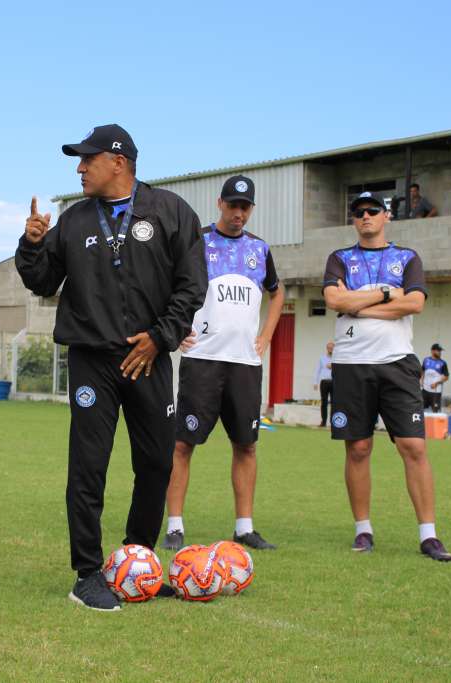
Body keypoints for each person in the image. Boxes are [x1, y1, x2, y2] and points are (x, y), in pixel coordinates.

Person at [15, 124, 206, 610]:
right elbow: (40, 281)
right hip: (92, 360)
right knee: (88, 465)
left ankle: (136, 563)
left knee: (157, 463)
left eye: (87, 159)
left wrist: (160, 338)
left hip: (150, 358)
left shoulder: (171, 211)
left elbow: (191, 285)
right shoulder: (75, 220)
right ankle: (86, 573)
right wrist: (32, 244)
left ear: (118, 162)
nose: (79, 168)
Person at [322, 191, 451, 562]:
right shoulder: (339, 259)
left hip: (397, 363)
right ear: (353, 219)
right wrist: (384, 297)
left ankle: (428, 535)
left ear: (386, 216)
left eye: (372, 211)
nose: (365, 217)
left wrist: (360, 307)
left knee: (414, 447)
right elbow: (335, 301)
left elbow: (414, 303)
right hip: (351, 364)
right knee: (359, 448)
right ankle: (363, 530)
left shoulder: (407, 258)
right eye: (359, 212)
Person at [162, 175, 284, 552]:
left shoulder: (260, 250)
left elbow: (277, 294)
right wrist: (176, 327)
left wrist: (266, 335)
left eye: (244, 207)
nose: (238, 213)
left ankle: (244, 527)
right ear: (220, 203)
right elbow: (167, 285)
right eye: (232, 205)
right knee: (183, 443)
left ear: (251, 209)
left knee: (246, 445)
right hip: (202, 359)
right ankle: (175, 525)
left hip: (244, 364)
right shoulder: (196, 241)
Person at [420, 343, 450, 412]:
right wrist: (421, 380)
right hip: (425, 390)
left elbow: (446, 377)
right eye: (438, 350)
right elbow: (422, 371)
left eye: (440, 351)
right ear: (432, 351)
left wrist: (437, 383)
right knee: (420, 409)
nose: (440, 352)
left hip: (436, 392)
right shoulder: (426, 360)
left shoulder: (443, 363)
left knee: (435, 411)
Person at [314, 341, 335, 427]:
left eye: (332, 348)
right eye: (329, 348)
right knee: (324, 402)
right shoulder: (322, 358)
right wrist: (315, 382)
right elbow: (317, 370)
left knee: (334, 402)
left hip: (334, 382)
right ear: (327, 348)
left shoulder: (337, 359)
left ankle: (332, 422)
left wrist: (333, 366)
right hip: (324, 382)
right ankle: (323, 421)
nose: (330, 349)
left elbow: (342, 370)